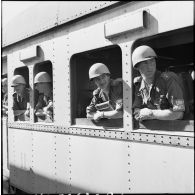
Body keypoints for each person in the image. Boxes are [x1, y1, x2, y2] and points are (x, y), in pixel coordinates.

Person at [132, 45, 185, 121]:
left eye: (152, 61)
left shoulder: (169, 80)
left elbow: (179, 113)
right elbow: (136, 108)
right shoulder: (138, 83)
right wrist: (138, 112)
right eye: (145, 63)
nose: (150, 66)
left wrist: (152, 114)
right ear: (137, 66)